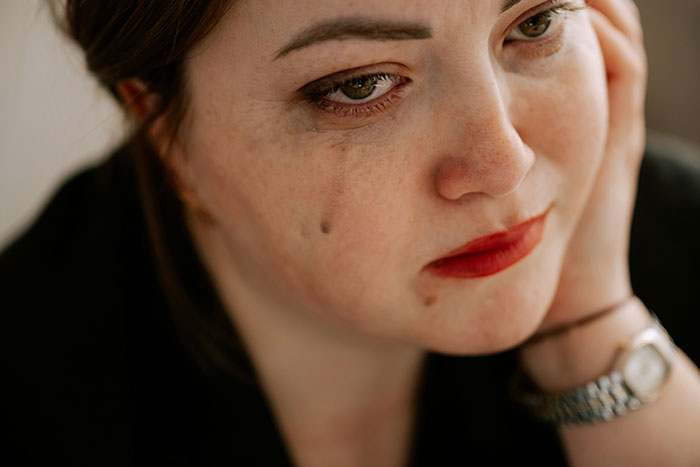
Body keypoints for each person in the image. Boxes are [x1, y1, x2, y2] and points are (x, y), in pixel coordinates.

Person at [2, 0, 700, 465]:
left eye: (537, 21)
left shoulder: (679, 234)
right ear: (164, 131)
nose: (503, 164)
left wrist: (594, 335)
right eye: (361, 84)